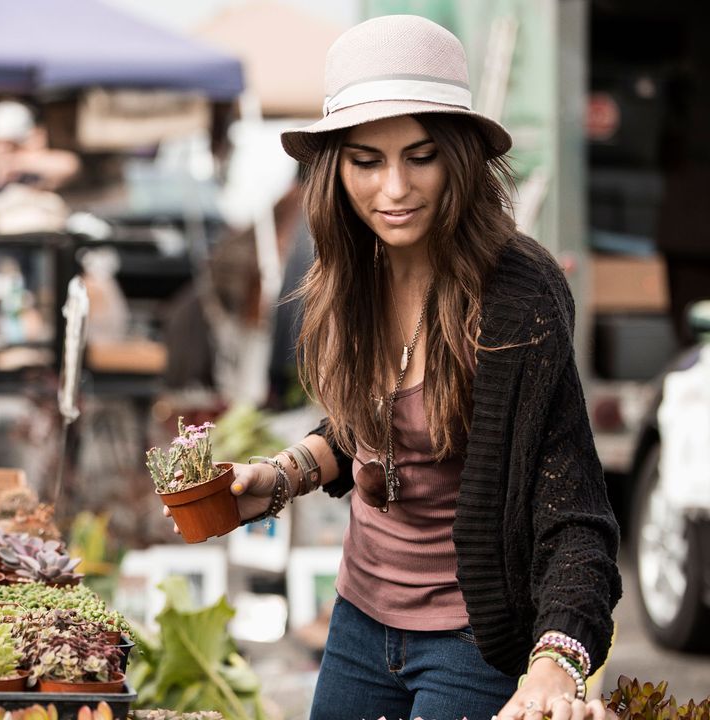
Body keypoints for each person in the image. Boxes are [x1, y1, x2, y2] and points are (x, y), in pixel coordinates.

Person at [164, 16, 622, 720]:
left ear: (460, 156)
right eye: (367, 160)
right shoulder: (349, 271)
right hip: (356, 624)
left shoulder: (516, 295)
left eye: (421, 155)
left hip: (472, 643)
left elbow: (575, 511)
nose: (394, 188)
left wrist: (556, 663)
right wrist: (283, 475)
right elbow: (369, 429)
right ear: (336, 168)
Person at [0, 99, 80, 229]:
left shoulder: (35, 171)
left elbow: (70, 165)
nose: (4, 150)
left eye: (13, 144)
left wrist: (18, 163)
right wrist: (1, 204)